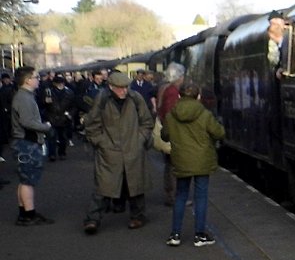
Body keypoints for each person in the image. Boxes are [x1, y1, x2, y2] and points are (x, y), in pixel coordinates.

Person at [81, 69, 154, 234]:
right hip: (109, 150)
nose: (124, 91)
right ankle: (92, 219)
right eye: (120, 88)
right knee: (103, 186)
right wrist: (101, 143)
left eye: (126, 87)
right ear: (111, 87)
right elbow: (92, 125)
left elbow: (146, 122)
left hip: (132, 147)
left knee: (135, 185)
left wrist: (140, 139)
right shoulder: (102, 100)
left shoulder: (136, 99)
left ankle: (138, 216)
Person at [161, 80, 225, 247]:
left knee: (181, 195)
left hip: (181, 160)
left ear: (180, 95)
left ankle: (175, 234)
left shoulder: (171, 115)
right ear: (198, 96)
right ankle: (199, 235)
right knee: (201, 197)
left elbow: (164, 136)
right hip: (202, 160)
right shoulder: (205, 114)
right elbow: (219, 133)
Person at [10, 67, 54, 225]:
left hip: (24, 142)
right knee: (28, 180)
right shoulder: (24, 98)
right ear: (27, 80)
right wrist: (46, 126)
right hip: (26, 143)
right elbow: (27, 122)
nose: (39, 79)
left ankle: (25, 212)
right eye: (36, 77)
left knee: (24, 179)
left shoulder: (24, 96)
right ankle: (29, 214)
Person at [155, 63, 185, 205]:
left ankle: (171, 195)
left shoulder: (163, 87)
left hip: (164, 129)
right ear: (178, 77)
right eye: (182, 76)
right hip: (172, 133)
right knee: (175, 166)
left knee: (169, 165)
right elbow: (170, 112)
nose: (183, 79)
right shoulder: (172, 90)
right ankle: (175, 197)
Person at [43, 71, 76, 160]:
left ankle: (62, 152)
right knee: (52, 137)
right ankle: (52, 154)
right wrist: (45, 102)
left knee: (63, 138)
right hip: (52, 117)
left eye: (61, 83)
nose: (60, 85)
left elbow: (73, 106)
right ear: (54, 84)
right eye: (58, 84)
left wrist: (70, 114)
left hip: (63, 118)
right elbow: (42, 105)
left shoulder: (69, 92)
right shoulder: (48, 92)